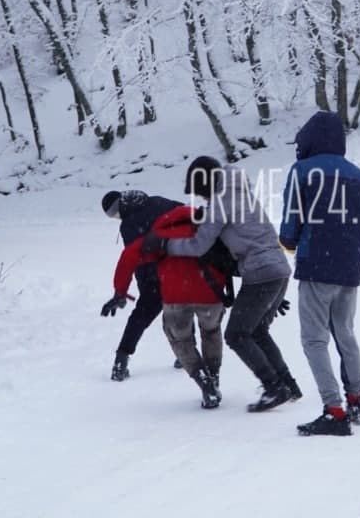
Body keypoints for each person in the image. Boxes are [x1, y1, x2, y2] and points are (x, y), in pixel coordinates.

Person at [143, 156, 301, 412]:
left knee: (236, 334)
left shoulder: (221, 202)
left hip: (261, 273)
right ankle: (288, 385)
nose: (201, 199)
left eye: (199, 193)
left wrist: (165, 244)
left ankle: (274, 387)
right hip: (278, 270)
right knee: (258, 330)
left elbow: (198, 246)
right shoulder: (241, 192)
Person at [279, 111, 360, 437]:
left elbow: (292, 220)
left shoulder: (302, 171)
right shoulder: (359, 176)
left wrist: (289, 242)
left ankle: (334, 411)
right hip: (349, 266)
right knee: (345, 333)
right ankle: (355, 399)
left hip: (316, 264)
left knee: (314, 339)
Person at [110, 204, 230, 409]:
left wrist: (120, 290)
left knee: (180, 339)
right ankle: (214, 375)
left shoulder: (161, 233)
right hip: (211, 294)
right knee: (211, 331)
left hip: (177, 296)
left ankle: (204, 382)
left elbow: (129, 256)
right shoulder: (209, 229)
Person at [99, 190, 180, 381]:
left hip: (150, 276)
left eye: (114, 212)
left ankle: (121, 360)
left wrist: (120, 292)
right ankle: (184, 354)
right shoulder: (158, 201)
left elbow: (131, 258)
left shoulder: (128, 225)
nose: (117, 216)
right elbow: (184, 212)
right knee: (178, 312)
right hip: (176, 268)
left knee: (140, 317)